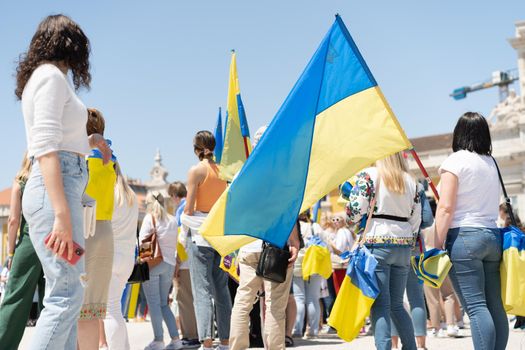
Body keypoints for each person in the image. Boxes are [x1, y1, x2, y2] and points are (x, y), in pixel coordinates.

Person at [18, 14, 110, 350]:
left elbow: (59, 141)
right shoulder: (51, 78)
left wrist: (92, 143)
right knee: (66, 295)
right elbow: (44, 146)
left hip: (58, 188)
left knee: (69, 294)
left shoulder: (45, 78)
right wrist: (61, 215)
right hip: (55, 191)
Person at [433, 112, 509, 350]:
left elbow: (445, 207)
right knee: (494, 305)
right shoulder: (491, 162)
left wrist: (436, 244)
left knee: (476, 307)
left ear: (459, 133)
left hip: (464, 237)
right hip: (491, 235)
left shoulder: (455, 161)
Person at [229, 125, 300, 350]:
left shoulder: (242, 174)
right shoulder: (282, 173)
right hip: (275, 245)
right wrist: (294, 241)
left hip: (248, 245)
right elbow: (288, 211)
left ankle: (237, 347)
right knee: (275, 306)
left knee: (243, 302)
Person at [346, 152, 421, 350]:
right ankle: (411, 347)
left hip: (377, 242)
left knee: (380, 305)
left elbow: (354, 210)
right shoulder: (411, 181)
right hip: (403, 244)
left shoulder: (369, 175)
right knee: (397, 304)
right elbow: (416, 219)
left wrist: (352, 221)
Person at [184, 131, 231, 350]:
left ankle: (207, 341)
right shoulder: (223, 171)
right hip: (218, 234)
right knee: (221, 289)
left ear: (196, 149)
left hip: (200, 237)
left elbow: (189, 208)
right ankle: (225, 340)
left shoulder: (196, 171)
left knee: (201, 290)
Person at [79, 108, 117, 350]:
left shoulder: (81, 157)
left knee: (77, 305)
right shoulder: (110, 159)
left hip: (84, 228)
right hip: (105, 231)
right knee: (93, 308)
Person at [0, 154, 45, 349]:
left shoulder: (21, 181)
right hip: (52, 242)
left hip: (28, 242)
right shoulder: (48, 180)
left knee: (15, 298)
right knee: (50, 300)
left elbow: (13, 221)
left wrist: (10, 253)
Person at [391, 184, 434, 349]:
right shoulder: (416, 186)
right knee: (416, 297)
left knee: (392, 297)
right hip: (414, 244)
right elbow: (428, 219)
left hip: (390, 242)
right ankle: (421, 344)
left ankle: (394, 344)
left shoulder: (381, 182)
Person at [102, 163, 139, 350]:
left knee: (109, 311)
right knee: (114, 308)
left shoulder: (107, 192)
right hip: (126, 258)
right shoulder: (130, 195)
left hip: (109, 255)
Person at [139, 192, 183, 350]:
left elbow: (143, 241)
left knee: (154, 304)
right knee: (164, 304)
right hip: (169, 264)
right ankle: (176, 339)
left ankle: (158, 340)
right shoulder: (171, 219)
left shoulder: (149, 218)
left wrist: (142, 265)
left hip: (153, 265)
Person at [169, 181, 200, 349]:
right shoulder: (192, 204)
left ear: (174, 195)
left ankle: (190, 335)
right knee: (196, 298)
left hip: (185, 260)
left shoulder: (181, 209)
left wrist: (177, 262)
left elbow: (180, 238)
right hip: (196, 257)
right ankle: (198, 333)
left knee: (185, 299)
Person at [292, 211, 325, 339]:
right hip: (313, 264)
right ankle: (313, 330)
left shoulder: (293, 225)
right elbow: (326, 242)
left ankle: (297, 329)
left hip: (298, 263)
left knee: (299, 298)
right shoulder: (315, 226)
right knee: (313, 298)